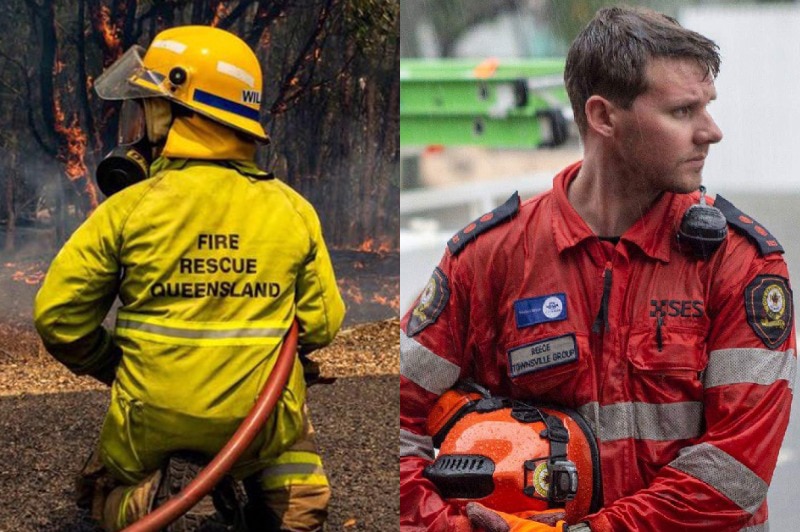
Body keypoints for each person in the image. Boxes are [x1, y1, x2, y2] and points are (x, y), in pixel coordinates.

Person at [400, 6, 795, 532]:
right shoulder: (490, 256)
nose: (711, 131)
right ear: (604, 117)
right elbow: (394, 417)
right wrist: (451, 527)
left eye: (708, 106)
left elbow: (735, 469)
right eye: (682, 112)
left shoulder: (740, 261)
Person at [33, 25, 345, 531]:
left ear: (176, 110)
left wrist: (112, 364)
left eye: (149, 105)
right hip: (257, 422)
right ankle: (291, 499)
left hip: (152, 422)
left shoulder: (128, 209)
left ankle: (144, 502)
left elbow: (57, 318)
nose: (143, 122)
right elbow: (323, 323)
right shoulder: (293, 210)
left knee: (103, 488)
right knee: (291, 444)